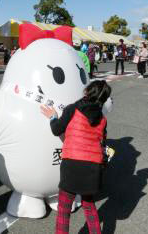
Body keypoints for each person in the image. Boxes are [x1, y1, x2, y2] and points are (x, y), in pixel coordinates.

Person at [41, 80, 112, 234]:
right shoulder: (103, 120)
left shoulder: (73, 109)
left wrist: (53, 117)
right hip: (93, 167)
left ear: (87, 92)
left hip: (72, 164)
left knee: (64, 210)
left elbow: (56, 130)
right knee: (89, 205)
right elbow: (102, 143)